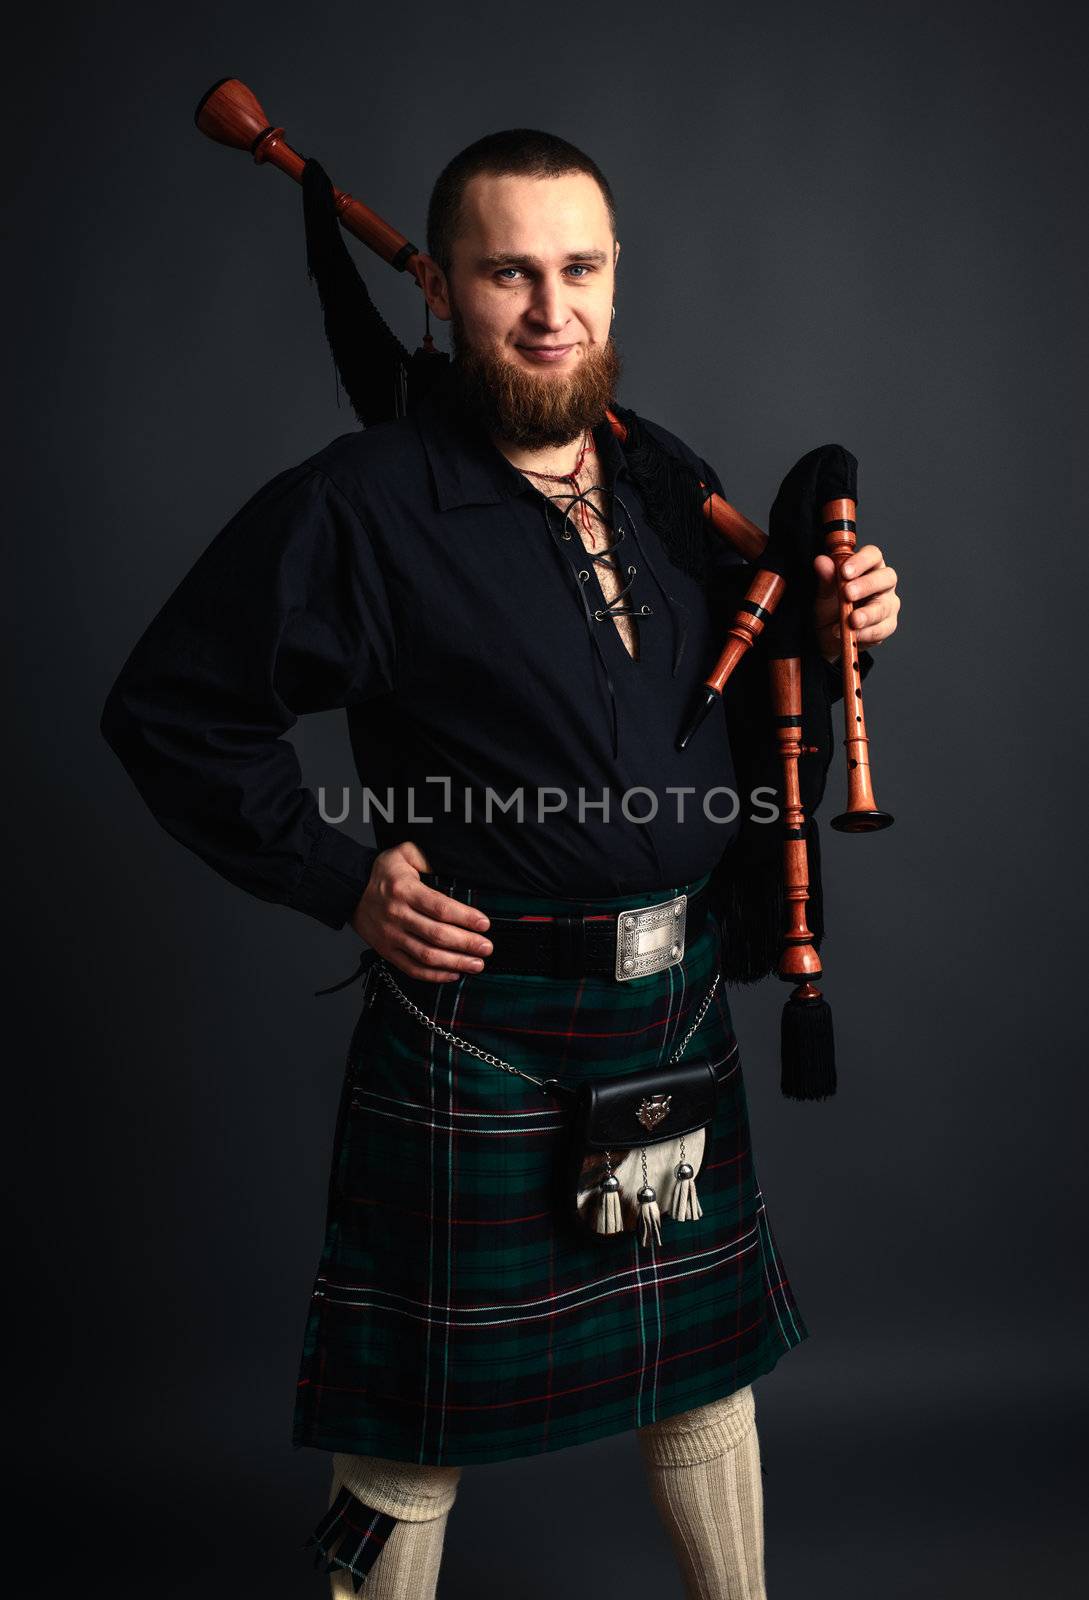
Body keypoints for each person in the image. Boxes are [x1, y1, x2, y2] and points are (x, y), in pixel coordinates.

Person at [100, 127, 900, 1599]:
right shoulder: (364, 501)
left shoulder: (666, 483)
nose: (550, 307)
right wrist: (341, 877)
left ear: (614, 282)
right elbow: (170, 712)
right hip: (482, 1036)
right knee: (414, 1424)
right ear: (440, 297)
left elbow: (747, 713)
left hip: (669, 1015)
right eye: (508, 272)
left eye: (579, 268)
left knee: (702, 1374)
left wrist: (841, 625)